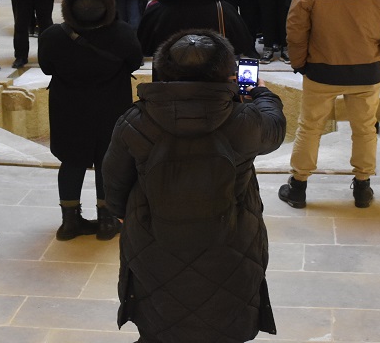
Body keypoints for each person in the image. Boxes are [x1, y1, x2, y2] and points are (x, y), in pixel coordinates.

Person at [103, 31, 286, 343]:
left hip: (153, 238)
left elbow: (114, 179)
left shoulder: (136, 119)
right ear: (226, 72)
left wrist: (122, 215)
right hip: (231, 240)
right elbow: (275, 128)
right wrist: (263, 95)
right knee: (225, 309)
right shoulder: (245, 120)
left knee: (160, 310)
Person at [279, 0, 380, 208]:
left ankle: (298, 188)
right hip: (367, 70)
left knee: (309, 128)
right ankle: (362, 188)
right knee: (365, 129)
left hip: (322, 69)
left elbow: (296, 31)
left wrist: (299, 63)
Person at [39, 0, 143, 241]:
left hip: (69, 109)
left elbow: (47, 68)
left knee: (72, 161)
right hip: (111, 105)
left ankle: (70, 223)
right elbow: (135, 62)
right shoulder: (123, 32)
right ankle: (108, 221)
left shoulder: (52, 35)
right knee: (107, 163)